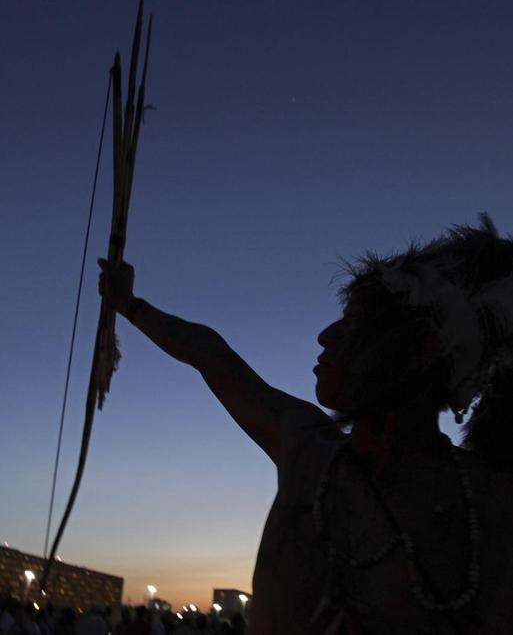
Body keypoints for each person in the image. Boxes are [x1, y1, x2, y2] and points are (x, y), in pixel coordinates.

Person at [99, 215, 513, 634]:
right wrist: (129, 305)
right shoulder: (308, 450)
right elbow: (211, 355)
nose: (325, 336)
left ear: (422, 348)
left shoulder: (492, 502)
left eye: (354, 322)